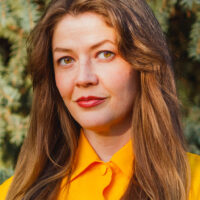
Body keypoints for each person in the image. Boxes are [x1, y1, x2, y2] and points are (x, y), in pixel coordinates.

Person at [0, 0, 200, 199]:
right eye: (66, 60)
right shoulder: (13, 194)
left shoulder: (194, 183)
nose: (83, 79)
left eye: (105, 54)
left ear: (143, 63)